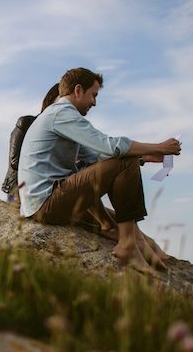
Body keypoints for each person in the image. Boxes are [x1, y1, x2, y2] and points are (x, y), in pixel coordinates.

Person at [17, 67, 180, 274]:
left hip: (45, 203)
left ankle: (141, 248)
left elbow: (96, 158)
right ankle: (128, 245)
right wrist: (159, 146)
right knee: (124, 161)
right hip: (46, 204)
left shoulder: (59, 116)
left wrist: (143, 157)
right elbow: (111, 146)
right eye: (93, 95)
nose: (94, 102)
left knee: (123, 177)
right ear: (78, 90)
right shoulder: (61, 113)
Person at [1, 83, 60, 203]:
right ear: (51, 100)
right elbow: (15, 162)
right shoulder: (26, 123)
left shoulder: (64, 132)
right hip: (21, 189)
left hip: (51, 191)